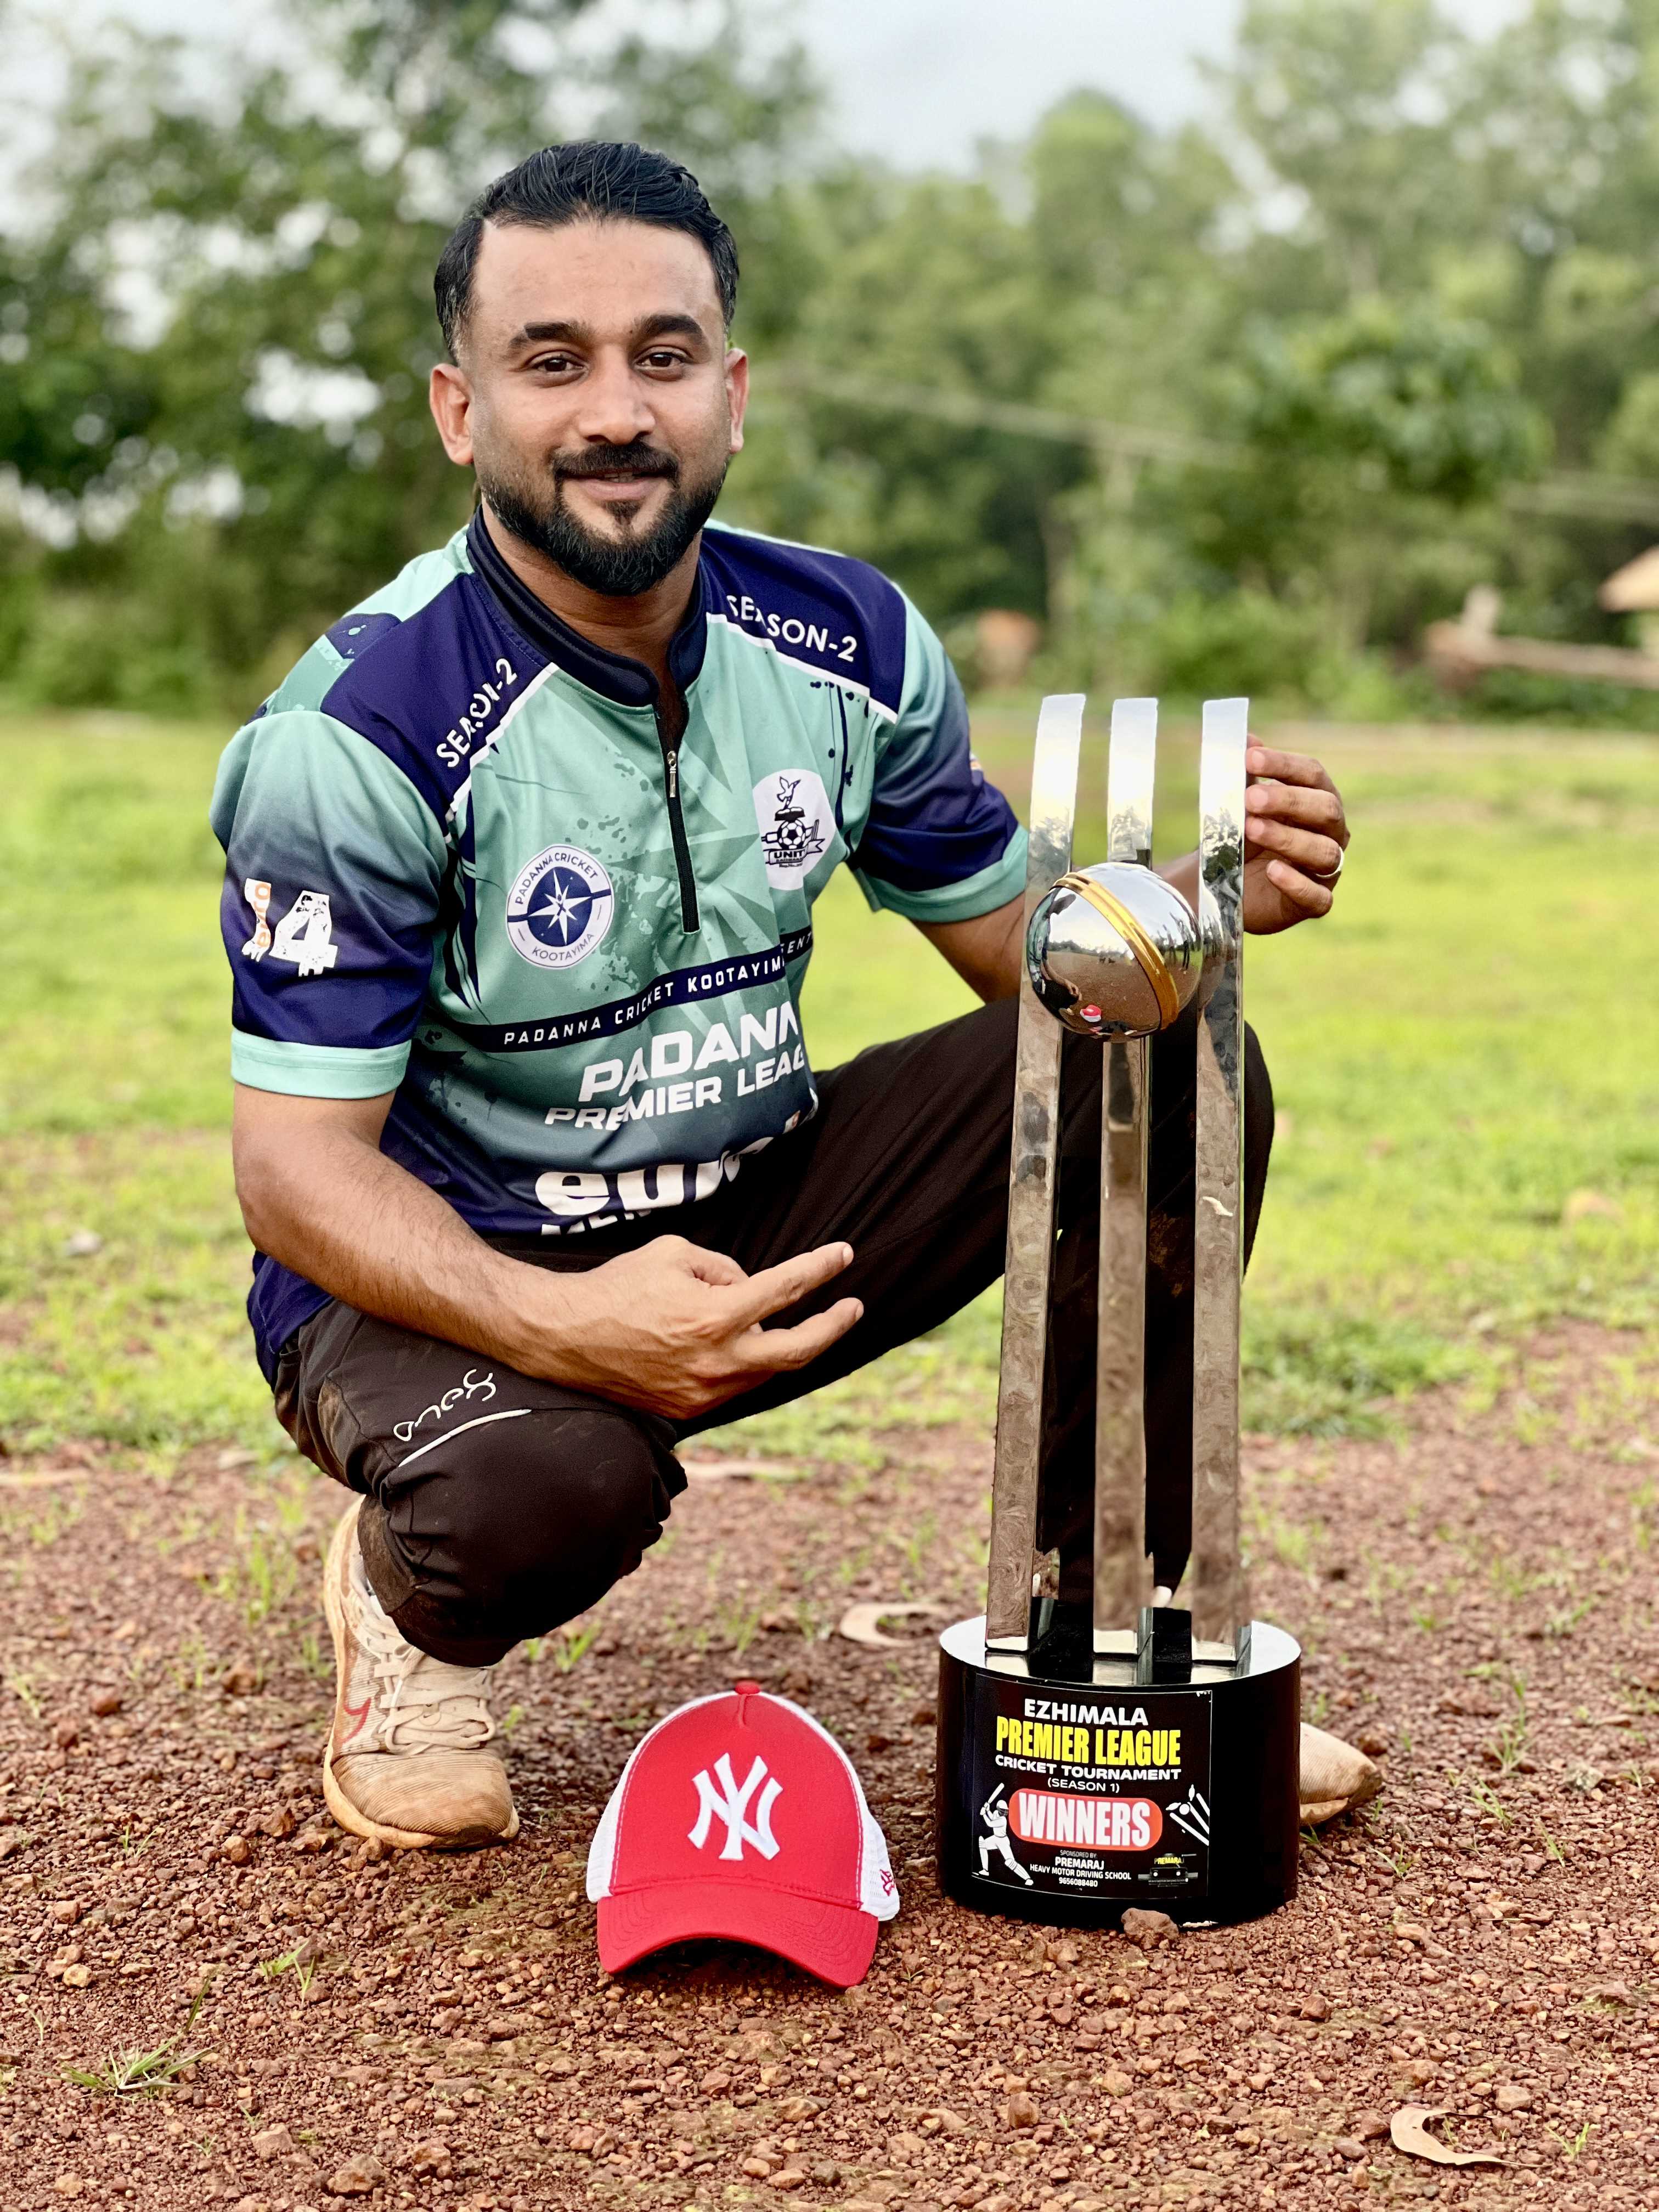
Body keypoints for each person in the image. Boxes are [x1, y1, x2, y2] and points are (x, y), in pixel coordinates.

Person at [212, 141, 1361, 1854]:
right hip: (446, 1280)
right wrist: (566, 1330)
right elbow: (295, 1171)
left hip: (740, 1211)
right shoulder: (355, 736)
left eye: (663, 356)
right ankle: (401, 1612)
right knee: (550, 1487)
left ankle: (1108, 1632)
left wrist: (1190, 912)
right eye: (554, 361)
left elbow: (1026, 956)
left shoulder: (848, 638)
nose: (618, 412)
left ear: (732, 394)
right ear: (462, 410)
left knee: (1165, 1058)